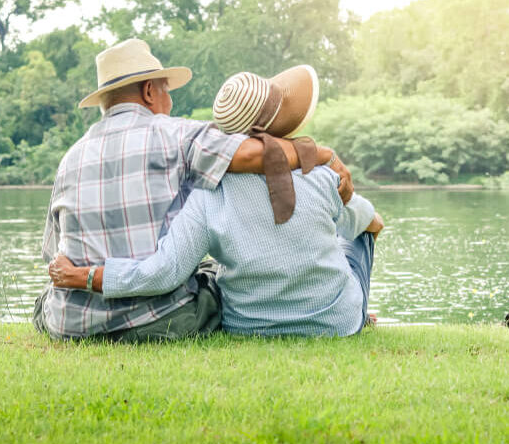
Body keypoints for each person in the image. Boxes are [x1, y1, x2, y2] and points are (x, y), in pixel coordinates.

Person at [33, 39, 352, 341]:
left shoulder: (70, 157)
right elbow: (254, 154)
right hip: (159, 319)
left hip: (72, 322)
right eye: (166, 91)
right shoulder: (176, 135)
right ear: (148, 91)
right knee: (209, 272)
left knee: (43, 304)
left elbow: (53, 256)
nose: (169, 102)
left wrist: (83, 278)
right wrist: (322, 154)